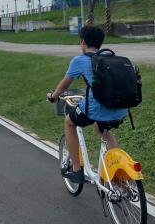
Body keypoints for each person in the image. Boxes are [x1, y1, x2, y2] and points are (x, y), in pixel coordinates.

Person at [46, 25, 128, 184]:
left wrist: (53, 96)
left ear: (83, 42)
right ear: (100, 43)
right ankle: (119, 171)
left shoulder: (80, 60)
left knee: (69, 122)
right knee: (101, 128)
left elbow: (64, 85)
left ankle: (76, 170)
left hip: (96, 109)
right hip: (119, 108)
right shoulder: (109, 58)